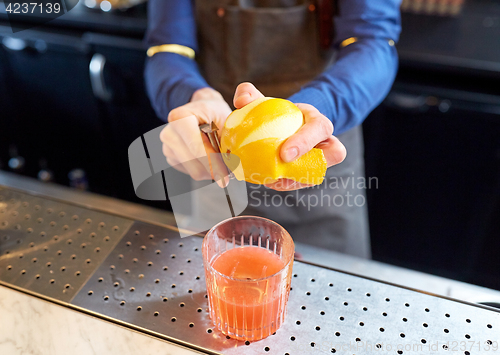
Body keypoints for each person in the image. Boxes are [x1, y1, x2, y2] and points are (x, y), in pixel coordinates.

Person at [144, 0, 402, 259]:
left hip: (319, 161)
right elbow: (167, 48)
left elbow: (373, 42)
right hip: (215, 153)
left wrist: (305, 114)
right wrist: (191, 98)